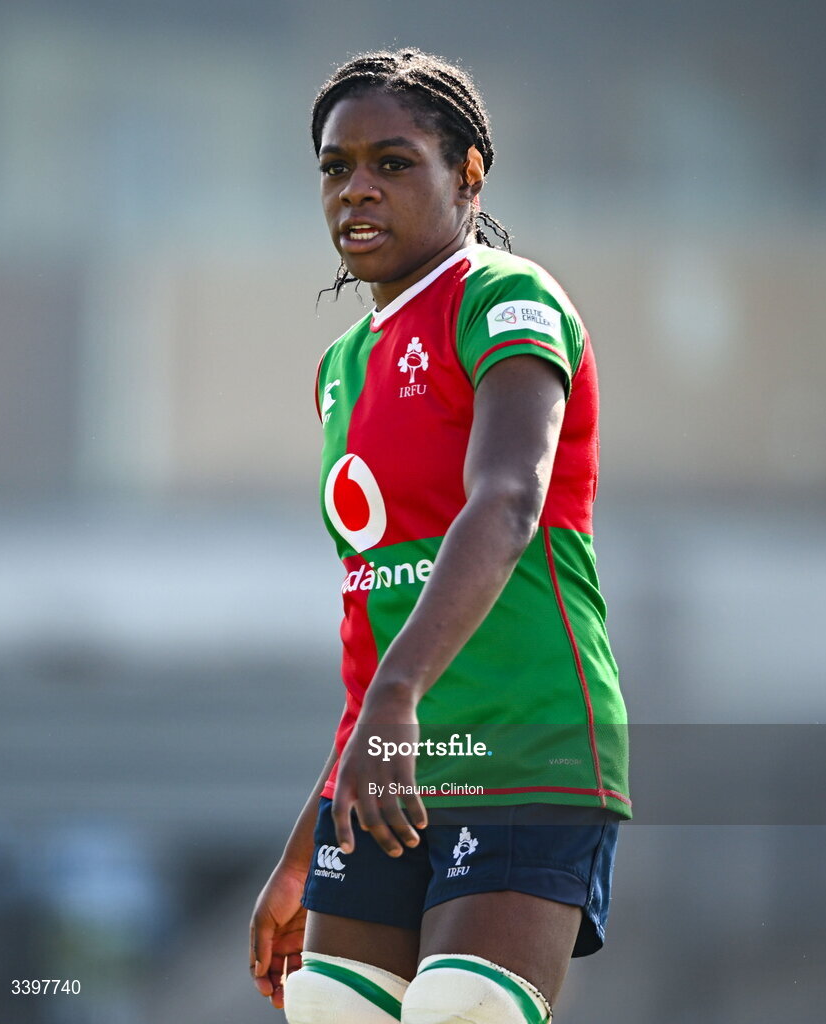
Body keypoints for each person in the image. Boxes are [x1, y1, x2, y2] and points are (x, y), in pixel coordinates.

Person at [249, 49, 631, 1024]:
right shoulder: (341, 368)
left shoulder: (504, 298)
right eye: (336, 168)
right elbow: (372, 618)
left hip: (525, 745)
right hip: (388, 765)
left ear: (467, 174)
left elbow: (506, 504)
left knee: (460, 1009)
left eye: (392, 161)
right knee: (326, 1010)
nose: (357, 189)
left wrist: (395, 699)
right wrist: (305, 845)